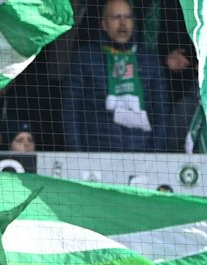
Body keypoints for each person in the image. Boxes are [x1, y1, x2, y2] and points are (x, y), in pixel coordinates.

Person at [64, 0, 171, 152]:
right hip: (96, 156)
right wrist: (78, 155)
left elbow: (161, 113)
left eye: (128, 17)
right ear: (104, 24)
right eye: (116, 17)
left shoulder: (150, 61)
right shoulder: (84, 58)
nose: (123, 23)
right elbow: (71, 111)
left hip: (141, 156)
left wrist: (154, 155)